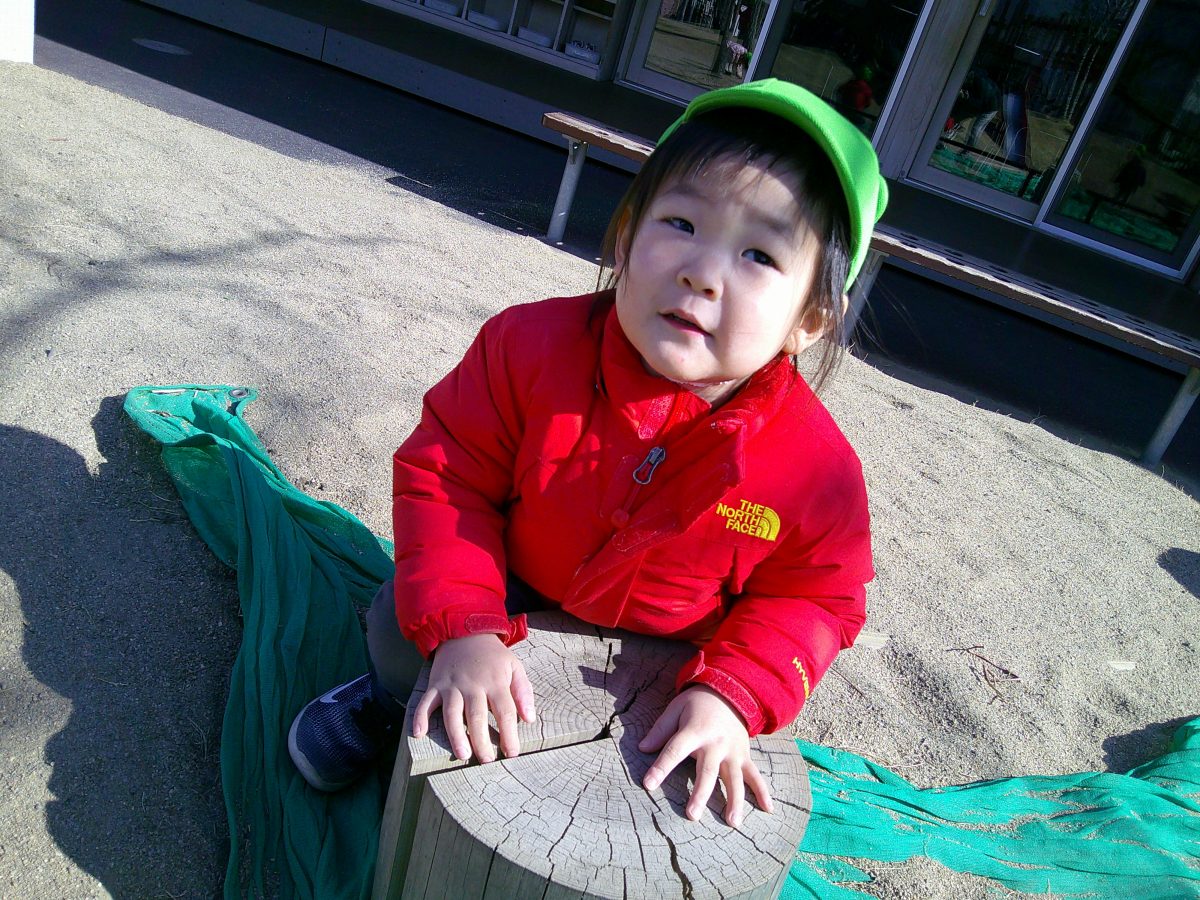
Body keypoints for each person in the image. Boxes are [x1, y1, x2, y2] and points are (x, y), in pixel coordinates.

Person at [288, 78, 888, 828]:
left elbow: (817, 597)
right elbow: (448, 475)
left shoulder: (816, 470)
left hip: (668, 649)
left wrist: (731, 692)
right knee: (397, 625)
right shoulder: (528, 349)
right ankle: (383, 700)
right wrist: (467, 624)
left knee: (658, 792)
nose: (703, 272)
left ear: (811, 319)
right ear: (628, 237)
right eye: (681, 222)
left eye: (760, 255)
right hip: (516, 586)